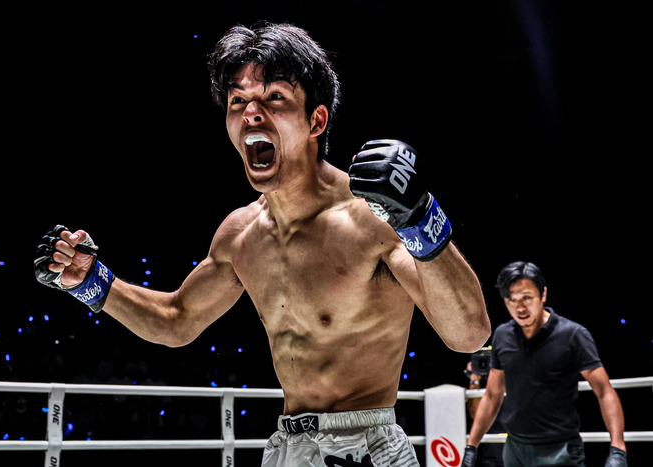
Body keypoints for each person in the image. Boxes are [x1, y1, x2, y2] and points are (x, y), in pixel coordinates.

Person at [34, 23, 490, 466]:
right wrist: (90, 281)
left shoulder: (370, 218)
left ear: (316, 120)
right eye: (238, 100)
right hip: (287, 445)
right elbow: (176, 320)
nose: (251, 113)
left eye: (274, 98)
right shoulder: (241, 234)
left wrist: (420, 218)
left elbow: (469, 334)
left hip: (365, 445)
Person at [461, 262, 627, 467]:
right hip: (515, 449)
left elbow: (604, 391)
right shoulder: (502, 336)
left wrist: (618, 448)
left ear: (543, 294)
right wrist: (471, 447)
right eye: (512, 300)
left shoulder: (572, 335)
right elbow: (492, 395)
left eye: (527, 298)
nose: (520, 307)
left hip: (560, 449)